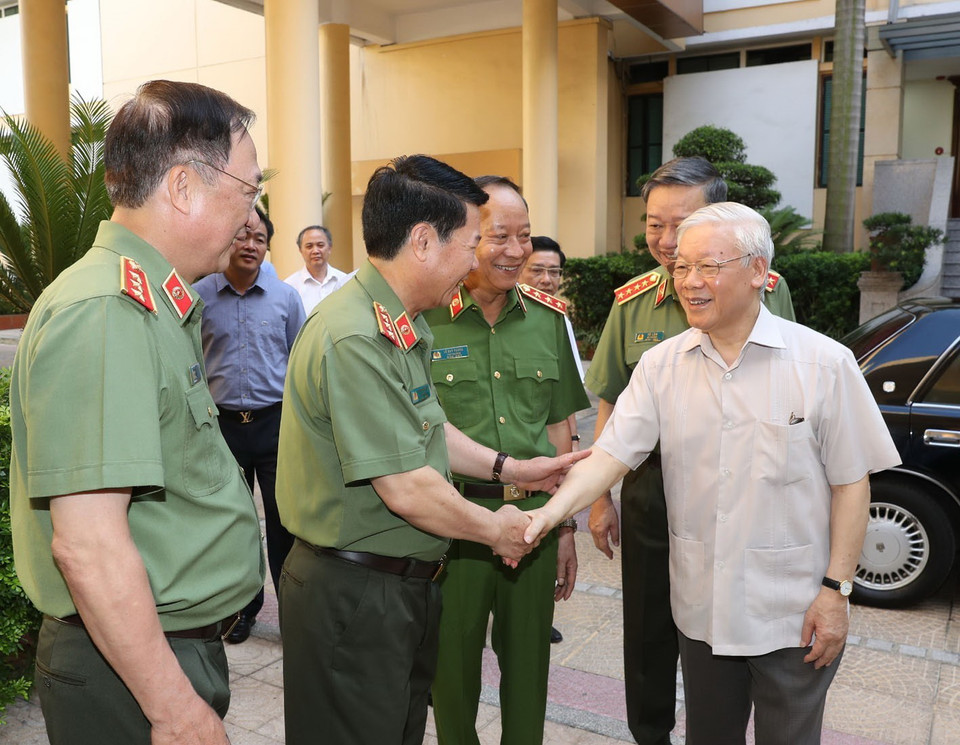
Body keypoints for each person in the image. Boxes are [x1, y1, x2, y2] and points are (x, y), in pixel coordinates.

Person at [525, 202, 901, 745]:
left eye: (708, 267)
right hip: (701, 611)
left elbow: (851, 484)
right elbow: (609, 456)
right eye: (681, 267)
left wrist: (836, 592)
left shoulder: (823, 364)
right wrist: (548, 515)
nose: (690, 282)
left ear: (757, 271)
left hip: (793, 613)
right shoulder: (663, 366)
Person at [275, 154, 588, 745]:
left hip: (399, 584)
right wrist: (501, 530)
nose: (478, 262)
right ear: (423, 241)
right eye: (471, 244)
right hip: (354, 592)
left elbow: (429, 428)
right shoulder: (355, 336)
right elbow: (407, 486)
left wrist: (511, 467)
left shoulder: (399, 325)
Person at [9, 80, 265, 745]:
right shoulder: (106, 311)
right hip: (128, 667)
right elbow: (89, 544)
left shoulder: (153, 302)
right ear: (183, 187)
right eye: (249, 192)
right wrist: (174, 708)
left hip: (148, 650)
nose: (252, 217)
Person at [584, 156, 796, 744]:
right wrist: (600, 499)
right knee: (649, 634)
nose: (667, 240)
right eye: (655, 224)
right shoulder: (631, 304)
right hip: (654, 490)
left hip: (744, 489)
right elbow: (609, 404)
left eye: (684, 222)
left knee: (735, 630)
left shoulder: (768, 292)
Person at [424, 177, 590, 745]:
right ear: (465, 237)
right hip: (456, 524)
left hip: (534, 522)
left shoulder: (548, 320)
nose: (517, 251)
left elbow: (560, 431)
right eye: (499, 236)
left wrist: (565, 524)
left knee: (529, 670)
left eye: (524, 236)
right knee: (452, 670)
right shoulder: (423, 320)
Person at [194, 206, 305, 643]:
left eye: (259, 238)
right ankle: (243, 610)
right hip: (223, 428)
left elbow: (299, 361)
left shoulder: (285, 298)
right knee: (235, 524)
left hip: (275, 425)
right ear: (227, 240)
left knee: (283, 524)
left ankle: (293, 614)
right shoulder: (200, 295)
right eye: (242, 236)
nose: (250, 245)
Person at [284, 224, 351, 313]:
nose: (315, 251)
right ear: (300, 250)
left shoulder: (345, 281)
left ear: (329, 247)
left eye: (320, 245)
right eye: (309, 246)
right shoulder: (289, 286)